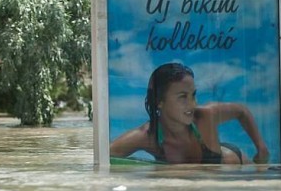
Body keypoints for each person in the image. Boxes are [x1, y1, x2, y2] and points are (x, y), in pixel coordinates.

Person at [110, 62, 270, 165]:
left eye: (193, 95)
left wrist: (261, 148)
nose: (193, 104)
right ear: (159, 101)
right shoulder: (148, 136)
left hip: (235, 164)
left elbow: (241, 111)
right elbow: (106, 158)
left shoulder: (206, 115)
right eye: (182, 97)